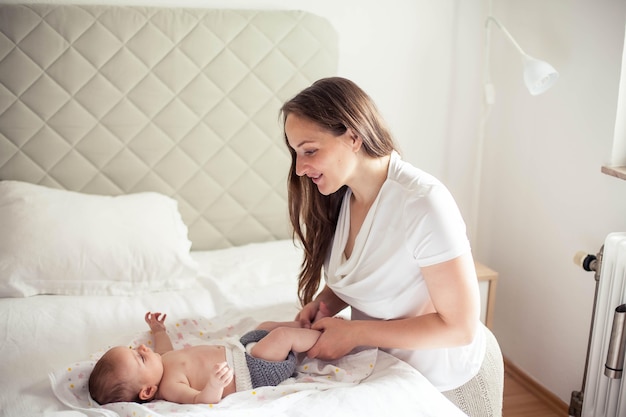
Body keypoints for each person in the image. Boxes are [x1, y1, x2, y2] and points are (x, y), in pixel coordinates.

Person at [280, 76, 504, 417]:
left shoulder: (423, 203)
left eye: (310, 150)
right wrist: (326, 302)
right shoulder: (343, 196)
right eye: (296, 154)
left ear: (353, 136)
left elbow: (460, 327)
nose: (299, 168)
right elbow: (368, 271)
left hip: (446, 381)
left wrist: (354, 332)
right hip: (387, 372)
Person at [88, 312, 321, 405]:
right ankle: (322, 336)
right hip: (253, 371)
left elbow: (164, 347)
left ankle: (304, 325)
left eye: (135, 349)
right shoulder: (170, 387)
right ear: (147, 391)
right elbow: (201, 400)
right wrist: (214, 385)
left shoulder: (162, 360)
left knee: (265, 327)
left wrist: (158, 330)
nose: (142, 348)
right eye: (140, 358)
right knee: (281, 337)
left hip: (240, 349)